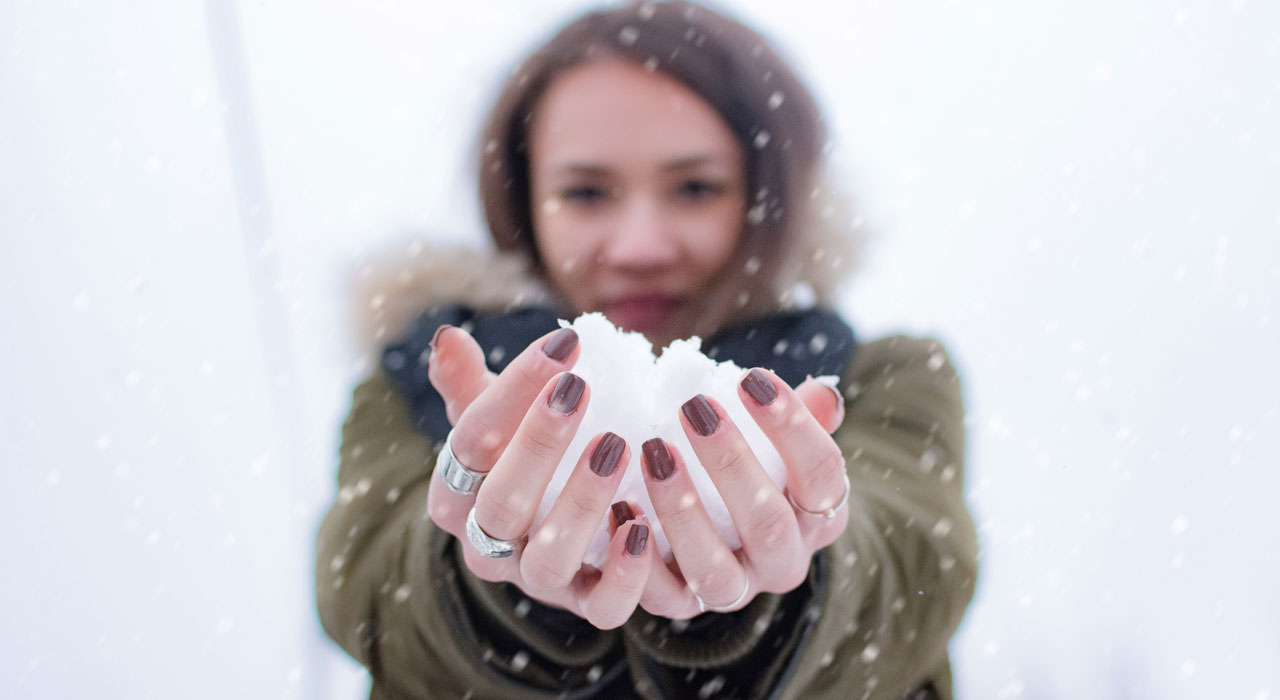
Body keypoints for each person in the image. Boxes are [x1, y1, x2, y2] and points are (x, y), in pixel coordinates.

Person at [315, 1, 978, 698]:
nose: (640, 247)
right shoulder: (420, 382)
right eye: (586, 192)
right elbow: (370, 599)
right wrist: (495, 586)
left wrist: (775, 586)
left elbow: (912, 579)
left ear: (769, 198)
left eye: (695, 187)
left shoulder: (883, 377)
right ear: (523, 204)